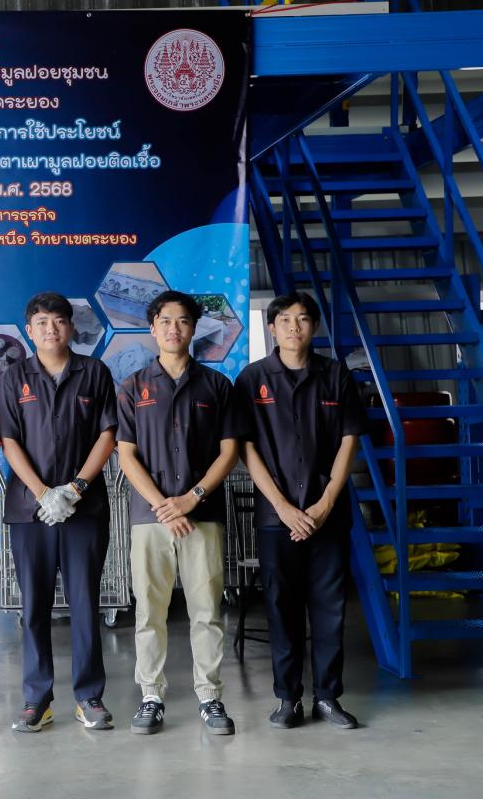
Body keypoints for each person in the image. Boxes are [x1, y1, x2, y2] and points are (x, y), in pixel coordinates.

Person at [234, 291, 367, 731]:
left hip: (328, 516)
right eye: (286, 319)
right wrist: (283, 507)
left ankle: (328, 697)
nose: (294, 327)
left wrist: (325, 503)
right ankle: (288, 698)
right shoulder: (252, 379)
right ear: (271, 328)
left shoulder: (335, 375)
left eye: (304, 319)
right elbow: (246, 449)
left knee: (330, 608)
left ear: (314, 327)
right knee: (281, 606)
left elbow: (349, 439)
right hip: (277, 519)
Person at [116, 290, 242, 736]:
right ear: (153, 328)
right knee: (150, 612)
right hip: (150, 519)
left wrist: (192, 497)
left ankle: (210, 697)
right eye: (166, 321)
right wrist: (163, 506)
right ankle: (151, 696)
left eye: (183, 321)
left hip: (202, 516)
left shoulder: (216, 386)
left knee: (206, 610)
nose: (174, 329)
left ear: (193, 328)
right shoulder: (133, 387)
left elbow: (229, 451)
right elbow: (126, 454)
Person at [0, 292, 117, 733]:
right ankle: (36, 699)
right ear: (29, 330)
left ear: (71, 327)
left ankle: (89, 697)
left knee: (84, 602)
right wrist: (44, 493)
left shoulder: (94, 373)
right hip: (31, 512)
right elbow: (8, 440)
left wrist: (75, 488)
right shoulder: (13, 378)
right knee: (35, 605)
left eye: (59, 321)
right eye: (42, 322)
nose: (51, 329)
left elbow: (107, 435)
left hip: (85, 509)